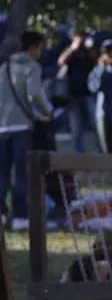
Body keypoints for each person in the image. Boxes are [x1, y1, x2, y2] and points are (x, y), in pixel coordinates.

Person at [0, 31, 52, 229]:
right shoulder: (32, 67)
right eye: (40, 48)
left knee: (2, 173)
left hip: (2, 127)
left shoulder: (4, 67)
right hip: (21, 126)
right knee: (22, 173)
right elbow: (33, 95)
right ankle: (21, 217)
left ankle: (2, 215)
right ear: (33, 47)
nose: (41, 52)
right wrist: (46, 111)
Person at [57, 30, 102, 153]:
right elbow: (61, 61)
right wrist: (73, 48)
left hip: (89, 92)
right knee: (76, 126)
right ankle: (79, 152)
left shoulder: (90, 49)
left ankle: (101, 150)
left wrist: (92, 49)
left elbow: (98, 62)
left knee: (96, 123)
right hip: (73, 93)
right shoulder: (71, 51)